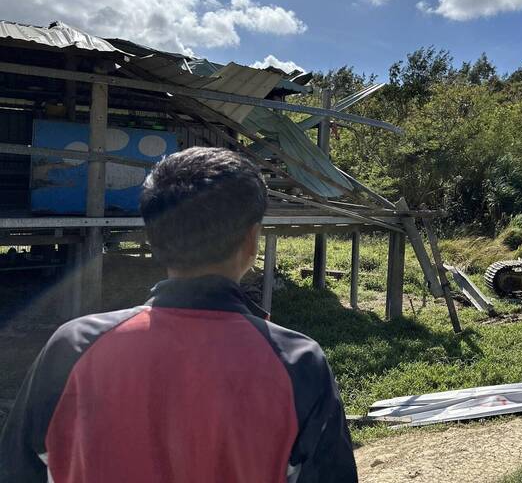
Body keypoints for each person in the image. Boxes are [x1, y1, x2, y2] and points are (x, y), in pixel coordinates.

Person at [0, 147, 358, 482]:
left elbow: (16, 468)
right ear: (252, 241)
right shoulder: (297, 362)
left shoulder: (73, 347)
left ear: (153, 239)